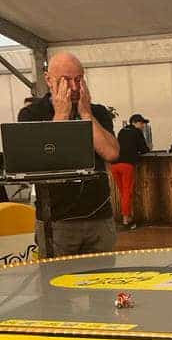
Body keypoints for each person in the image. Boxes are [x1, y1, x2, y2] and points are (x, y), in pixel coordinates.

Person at [18, 51, 119, 258]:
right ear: (49, 80)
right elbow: (40, 160)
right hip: (56, 220)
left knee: (104, 277)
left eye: (78, 80)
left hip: (99, 217)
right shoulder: (32, 114)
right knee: (56, 278)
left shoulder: (98, 112)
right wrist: (61, 115)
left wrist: (86, 114)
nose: (73, 87)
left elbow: (111, 153)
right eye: (65, 80)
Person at [111, 114, 150, 229]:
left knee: (123, 193)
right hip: (126, 165)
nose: (142, 126)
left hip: (114, 165)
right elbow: (144, 149)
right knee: (127, 193)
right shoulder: (137, 132)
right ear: (135, 122)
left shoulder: (122, 131)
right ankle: (126, 220)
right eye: (141, 123)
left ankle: (128, 217)